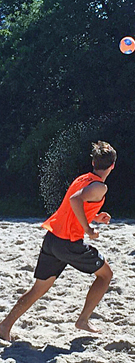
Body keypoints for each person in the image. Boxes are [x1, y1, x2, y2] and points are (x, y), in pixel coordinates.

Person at [0, 141, 117, 341]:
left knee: (38, 289)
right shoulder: (100, 186)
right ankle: (83, 320)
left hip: (52, 238)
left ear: (93, 162)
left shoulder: (83, 179)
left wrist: (94, 216)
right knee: (106, 275)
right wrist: (89, 229)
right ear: (113, 166)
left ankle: (4, 326)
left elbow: (75, 205)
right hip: (68, 243)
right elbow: (75, 201)